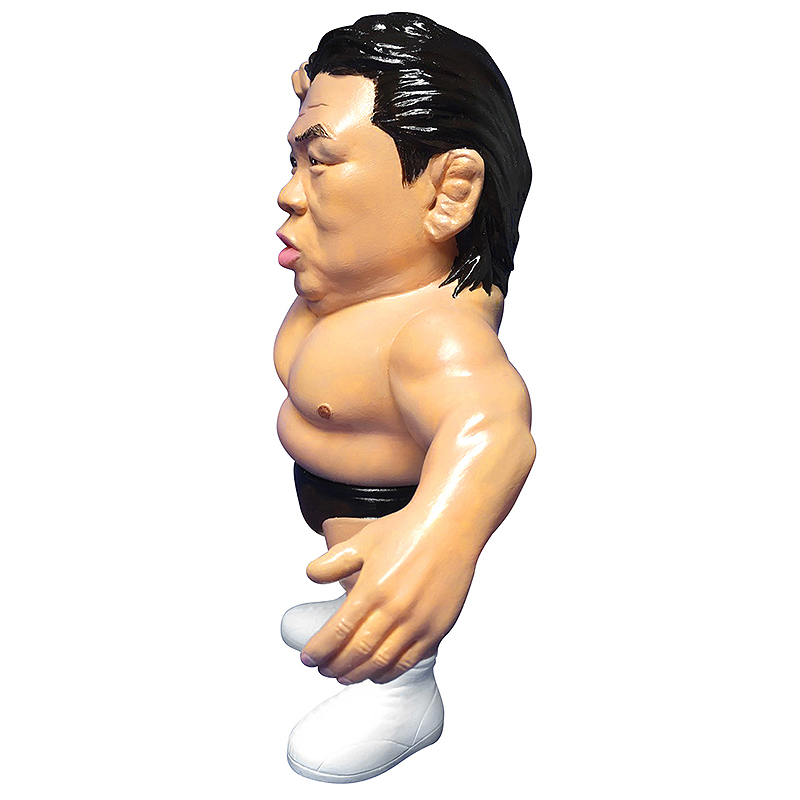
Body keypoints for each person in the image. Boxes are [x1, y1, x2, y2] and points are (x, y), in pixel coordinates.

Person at [274, 13, 534, 782]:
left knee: (393, 612)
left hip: (390, 508)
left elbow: (493, 426)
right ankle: (359, 599)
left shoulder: (435, 334)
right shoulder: (356, 285)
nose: (288, 193)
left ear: (448, 192)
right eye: (293, 160)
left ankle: (405, 691)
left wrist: (438, 538)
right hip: (339, 503)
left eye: (321, 163)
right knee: (361, 572)